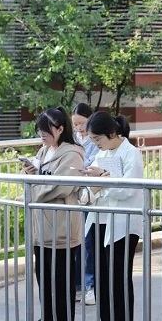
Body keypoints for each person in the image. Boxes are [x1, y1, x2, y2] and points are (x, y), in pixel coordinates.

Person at [80, 112, 143, 321]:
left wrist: (103, 180)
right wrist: (93, 186)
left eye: (98, 138)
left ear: (112, 133)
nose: (95, 143)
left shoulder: (130, 153)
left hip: (122, 224)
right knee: (101, 279)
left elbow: (129, 189)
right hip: (100, 220)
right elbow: (94, 188)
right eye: (92, 139)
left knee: (119, 279)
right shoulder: (102, 154)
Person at [23, 107, 84, 321]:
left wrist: (32, 192)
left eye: (46, 131)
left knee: (61, 283)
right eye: (40, 131)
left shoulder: (72, 154)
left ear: (60, 129)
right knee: (44, 280)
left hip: (61, 230)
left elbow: (61, 186)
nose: (42, 135)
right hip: (41, 229)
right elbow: (42, 180)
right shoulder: (44, 150)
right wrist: (30, 173)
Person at [71, 103, 99, 305]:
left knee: (88, 242)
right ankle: (78, 285)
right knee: (77, 241)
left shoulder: (96, 140)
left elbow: (94, 164)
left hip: (90, 193)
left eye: (82, 123)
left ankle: (90, 285)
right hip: (76, 193)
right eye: (75, 124)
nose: (79, 128)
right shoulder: (74, 139)